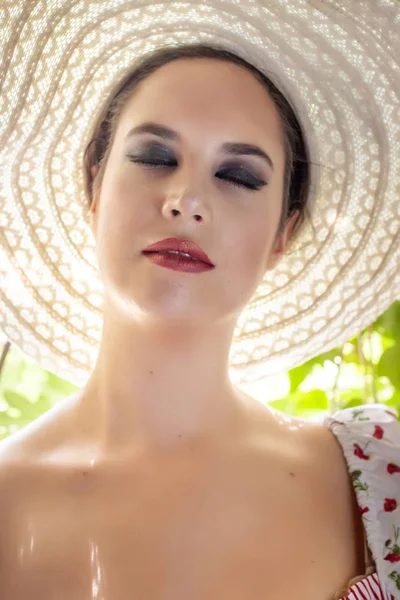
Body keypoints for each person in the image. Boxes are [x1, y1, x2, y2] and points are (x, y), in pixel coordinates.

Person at [0, 2, 399, 599]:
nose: (187, 200)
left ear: (282, 236)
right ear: (93, 187)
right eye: (155, 157)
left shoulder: (378, 473)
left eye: (238, 176)